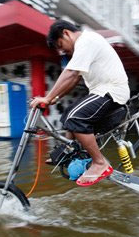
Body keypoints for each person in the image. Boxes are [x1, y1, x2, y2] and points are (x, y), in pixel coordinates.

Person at [30, 20, 130, 187]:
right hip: (102, 91)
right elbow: (74, 79)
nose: (63, 50)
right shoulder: (84, 45)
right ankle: (69, 152)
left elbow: (71, 72)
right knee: (67, 115)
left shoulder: (86, 40)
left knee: (75, 118)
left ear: (66, 33)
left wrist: (47, 98)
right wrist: (54, 99)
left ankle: (100, 163)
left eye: (61, 45)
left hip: (112, 91)